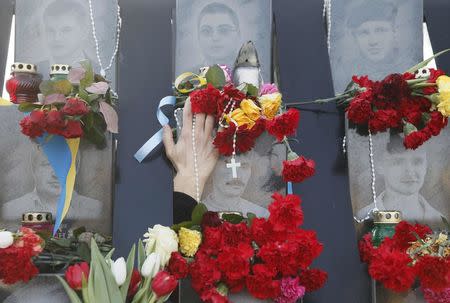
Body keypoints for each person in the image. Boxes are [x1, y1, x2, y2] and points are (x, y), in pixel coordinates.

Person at [1, 143, 104, 232]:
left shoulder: (96, 209)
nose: (56, 174)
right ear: (34, 169)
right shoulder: (11, 209)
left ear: (76, 169)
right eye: (47, 164)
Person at [356, 133, 444, 226]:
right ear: (380, 166)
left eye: (417, 161)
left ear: (426, 166)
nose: (409, 171)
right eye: (398, 162)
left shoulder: (440, 221)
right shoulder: (364, 217)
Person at [38, 0, 99, 76]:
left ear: (84, 32)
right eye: (50, 30)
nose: (57, 38)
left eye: (66, 30)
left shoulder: (101, 74)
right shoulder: (33, 74)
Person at [195, 2, 242, 71]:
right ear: (198, 38)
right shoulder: (187, 79)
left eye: (224, 30)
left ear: (238, 35)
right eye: (206, 31)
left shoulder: (255, 77)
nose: (215, 38)